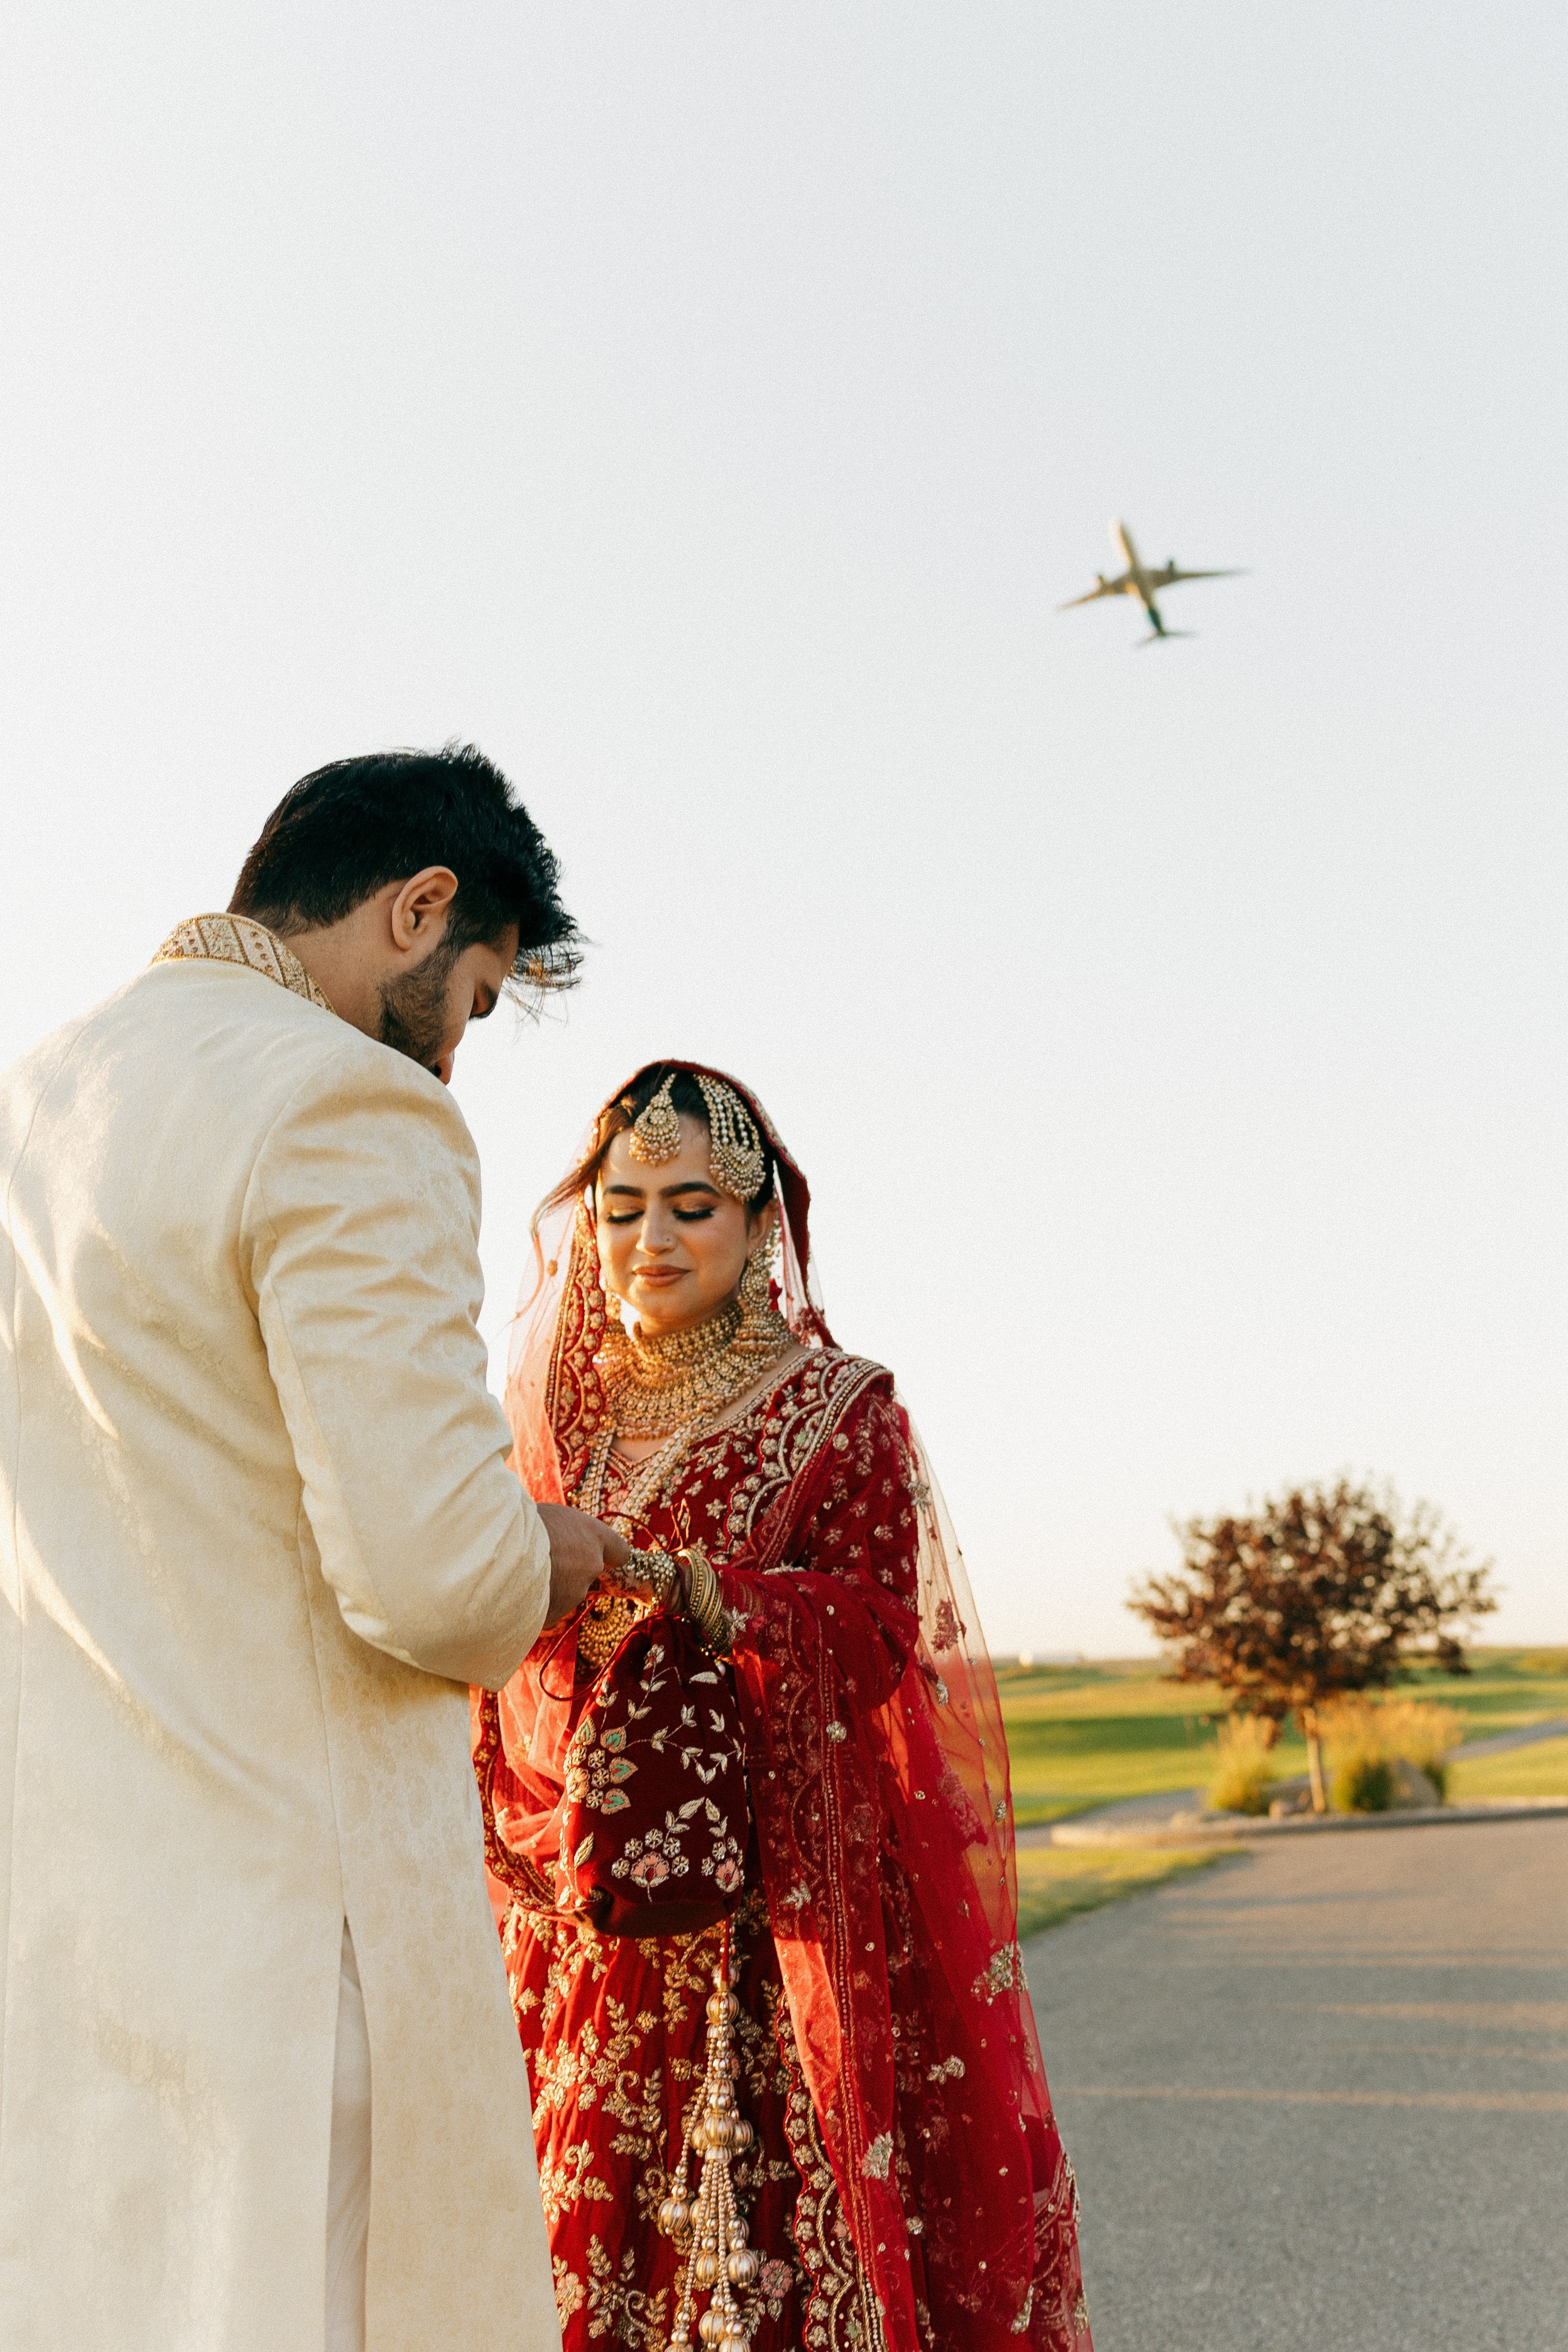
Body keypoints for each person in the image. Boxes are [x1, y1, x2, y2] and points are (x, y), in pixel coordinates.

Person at [0, 745, 630, 2352]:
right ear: (420, 907)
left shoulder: (39, 1099)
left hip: (63, 1937)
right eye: (475, 998)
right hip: (293, 1955)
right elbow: (433, 1570)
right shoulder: (348, 1101)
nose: (457, 1055)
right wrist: (544, 1550)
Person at [477, 1062, 1092, 2352]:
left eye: (692, 1205)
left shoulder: (839, 1408)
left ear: (763, 1226)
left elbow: (875, 1633)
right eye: (623, 1205)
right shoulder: (547, 1416)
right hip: (587, 1915)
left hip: (778, 1909)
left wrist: (684, 1590)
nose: (652, 1240)